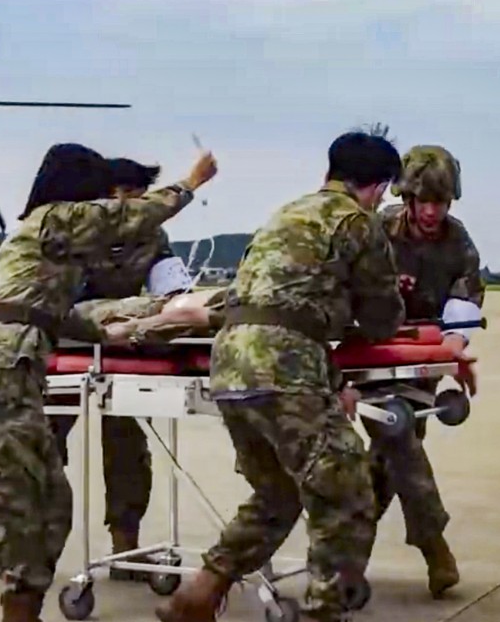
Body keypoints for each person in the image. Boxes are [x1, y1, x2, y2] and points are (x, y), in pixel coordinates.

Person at [0, 142, 219, 621]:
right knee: (14, 518)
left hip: (18, 373)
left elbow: (43, 308)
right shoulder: (55, 219)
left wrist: (111, 331)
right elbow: (130, 216)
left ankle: (21, 608)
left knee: (53, 507)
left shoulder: (52, 241)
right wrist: (192, 182)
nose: (103, 200)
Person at [155, 127, 406, 622]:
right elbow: (382, 318)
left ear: (330, 171)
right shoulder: (358, 222)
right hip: (283, 367)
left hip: (230, 362)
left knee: (279, 493)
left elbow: (280, 295)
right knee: (347, 493)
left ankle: (199, 596)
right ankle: (324, 612)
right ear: (378, 188)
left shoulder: (286, 214)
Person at [48, 156, 190, 580]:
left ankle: (125, 548)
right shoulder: (78, 228)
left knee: (128, 447)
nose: (137, 206)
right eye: (128, 196)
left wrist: (177, 307)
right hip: (65, 344)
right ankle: (27, 548)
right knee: (41, 445)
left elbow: (172, 285)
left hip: (123, 345)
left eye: (142, 197)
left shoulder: (153, 235)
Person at [367, 144, 485, 598]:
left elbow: (464, 301)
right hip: (368, 354)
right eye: (425, 201)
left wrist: (453, 348)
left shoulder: (458, 242)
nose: (433, 212)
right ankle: (434, 547)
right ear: (408, 197)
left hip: (421, 358)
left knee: (390, 452)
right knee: (398, 439)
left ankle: (343, 559)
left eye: (442, 201)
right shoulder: (377, 229)